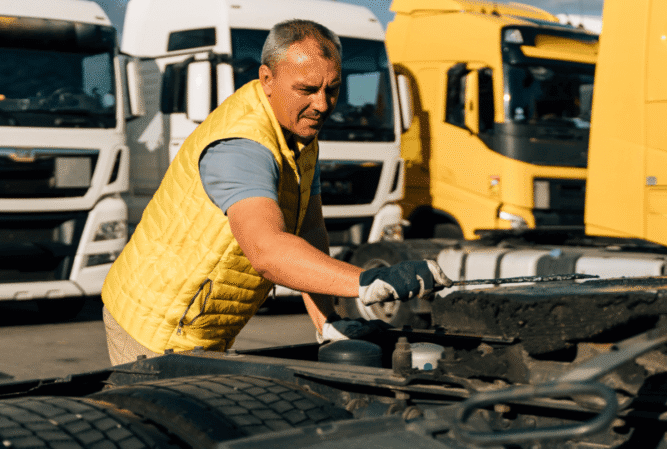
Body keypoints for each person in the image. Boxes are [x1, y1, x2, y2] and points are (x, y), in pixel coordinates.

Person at [101, 19, 451, 364]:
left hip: (202, 322)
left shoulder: (301, 135)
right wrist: (366, 281)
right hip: (154, 325)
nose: (323, 104)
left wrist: (327, 322)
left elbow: (310, 231)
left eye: (332, 88)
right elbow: (268, 251)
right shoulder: (243, 146)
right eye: (307, 90)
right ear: (267, 79)